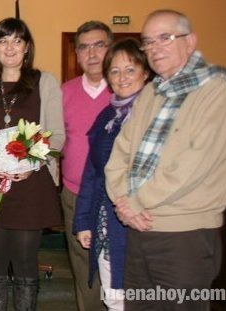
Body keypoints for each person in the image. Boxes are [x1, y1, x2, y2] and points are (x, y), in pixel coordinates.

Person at [105, 9, 226, 310]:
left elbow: (194, 166)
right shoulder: (150, 93)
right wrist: (123, 201)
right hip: (138, 230)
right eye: (148, 42)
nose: (154, 48)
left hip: (185, 236)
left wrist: (134, 202)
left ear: (190, 41)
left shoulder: (217, 91)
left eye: (165, 38)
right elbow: (120, 154)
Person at [0, 18, 64, 310]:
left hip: (30, 185)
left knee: (25, 263)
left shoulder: (44, 81)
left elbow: (57, 134)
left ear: (27, 47)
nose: (10, 47)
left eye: (17, 41)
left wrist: (31, 163)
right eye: (3, 41)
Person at [73, 38, 151, 311]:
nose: (122, 77)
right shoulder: (107, 116)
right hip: (107, 222)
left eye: (130, 69)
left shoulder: (157, 113)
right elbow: (92, 173)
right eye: (115, 71)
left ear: (145, 71)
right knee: (114, 297)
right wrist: (83, 221)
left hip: (147, 223)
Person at [60, 20, 113, 311]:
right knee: (84, 271)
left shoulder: (126, 89)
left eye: (99, 45)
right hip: (74, 195)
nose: (91, 53)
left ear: (111, 48)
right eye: (84, 47)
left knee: (119, 268)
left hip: (115, 199)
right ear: (77, 54)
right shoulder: (64, 92)